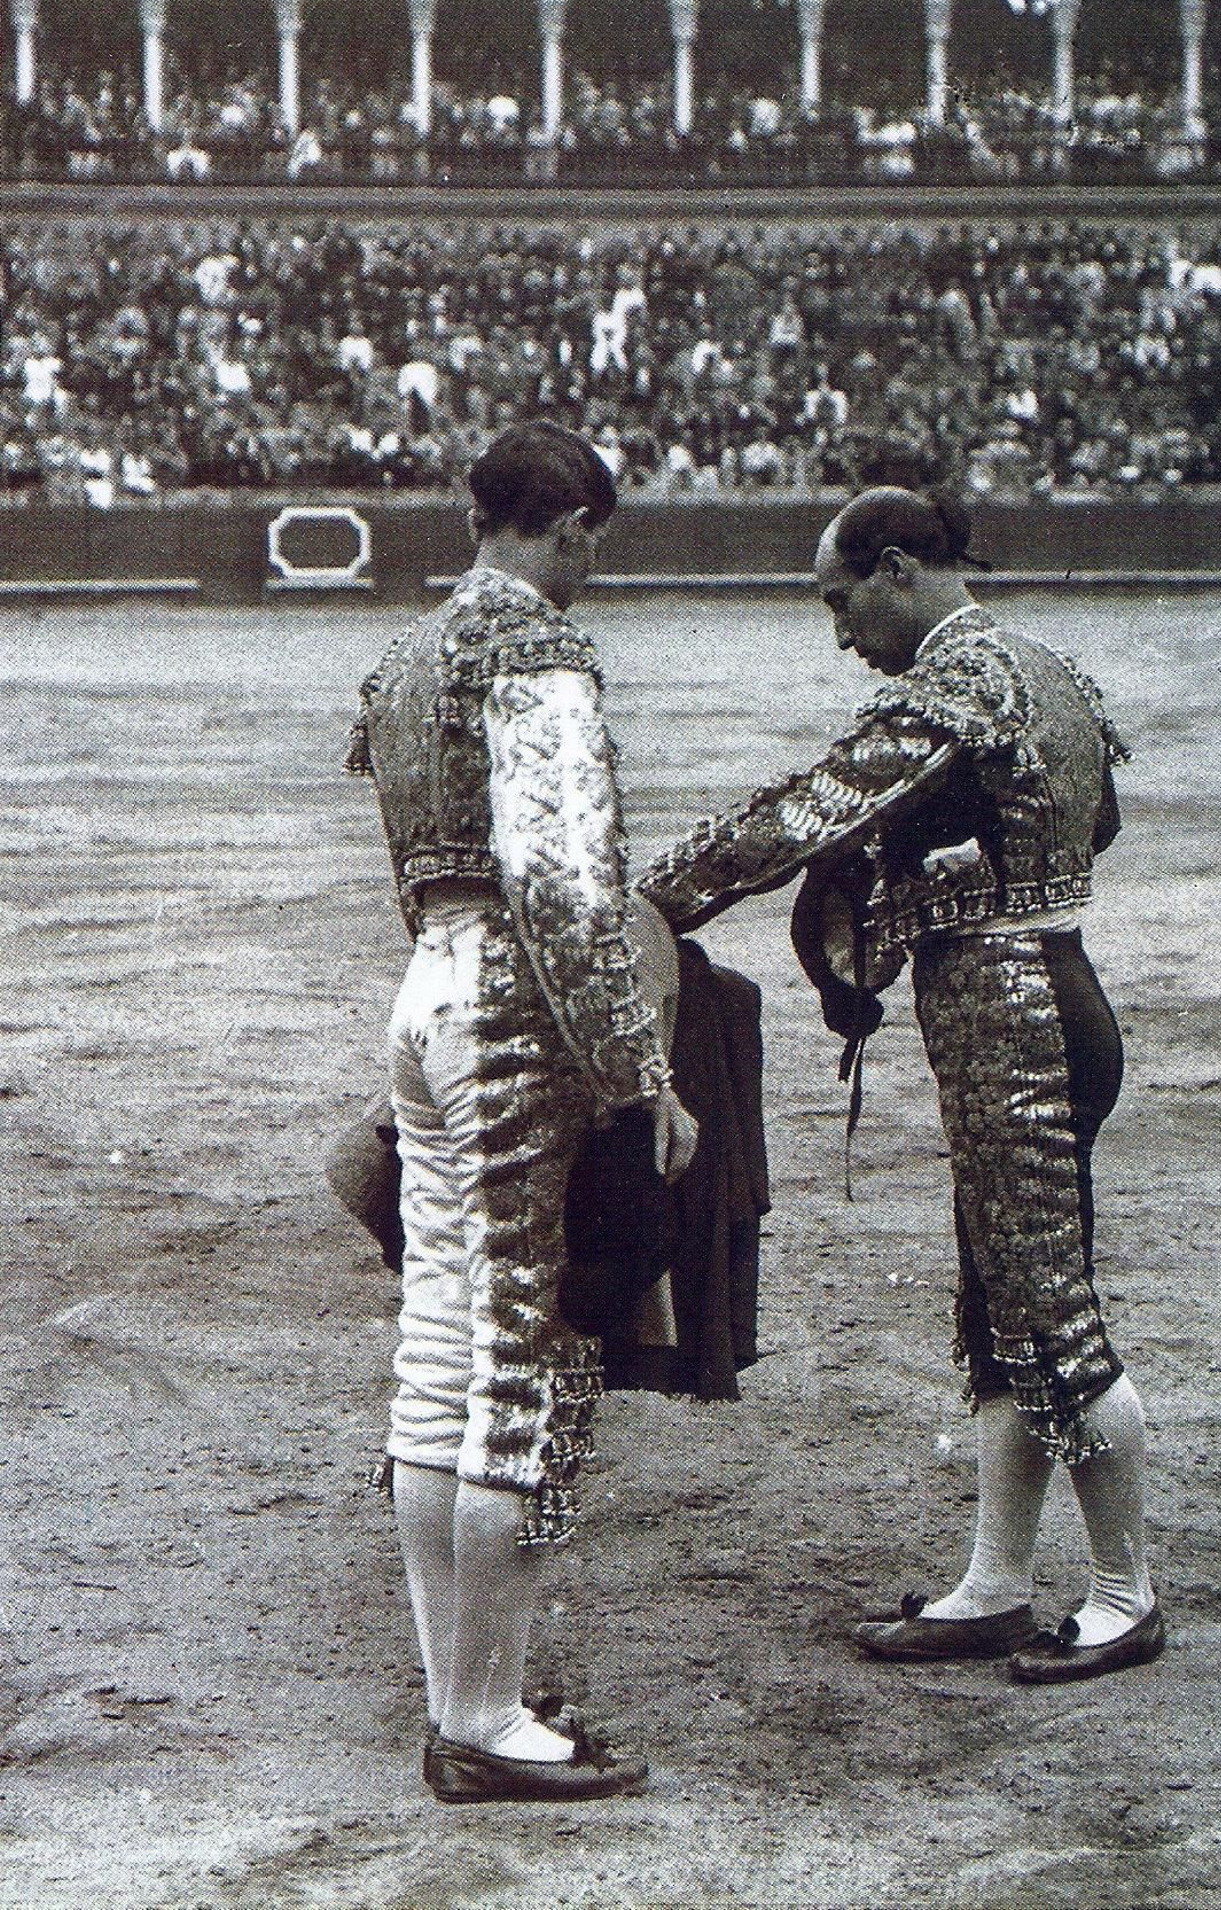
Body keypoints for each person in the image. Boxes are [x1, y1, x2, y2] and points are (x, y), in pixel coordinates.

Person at [639, 485, 1161, 1686]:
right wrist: (965, 867)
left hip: (1019, 1019)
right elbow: (1103, 819)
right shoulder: (1045, 667)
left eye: (839, 603)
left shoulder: (953, 685)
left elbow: (798, 816)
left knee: (1044, 1306)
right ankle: (995, 1582)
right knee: (999, 1303)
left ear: (892, 570)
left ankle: (1126, 1594)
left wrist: (653, 898)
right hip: (1050, 991)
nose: (839, 636)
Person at [346, 422, 698, 1801]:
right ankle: (485, 1721)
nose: (593, 562)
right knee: (506, 1363)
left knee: (441, 1351)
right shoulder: (533, 650)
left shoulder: (410, 654)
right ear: (561, 525)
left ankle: (463, 1699)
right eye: (592, 534)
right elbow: (560, 884)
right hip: (510, 1005)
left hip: (424, 990)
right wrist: (637, 1068)